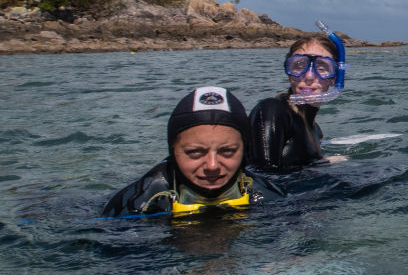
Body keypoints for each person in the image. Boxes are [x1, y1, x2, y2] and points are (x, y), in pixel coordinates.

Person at [102, 86, 277, 217]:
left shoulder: (269, 194)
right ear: (173, 150)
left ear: (244, 150)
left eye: (227, 151)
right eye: (195, 152)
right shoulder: (138, 204)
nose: (212, 166)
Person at [247, 34, 342, 173]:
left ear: (335, 77)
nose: (309, 76)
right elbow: (263, 175)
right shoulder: (272, 111)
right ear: (289, 72)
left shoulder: (316, 131)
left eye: (322, 68)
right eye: (299, 66)